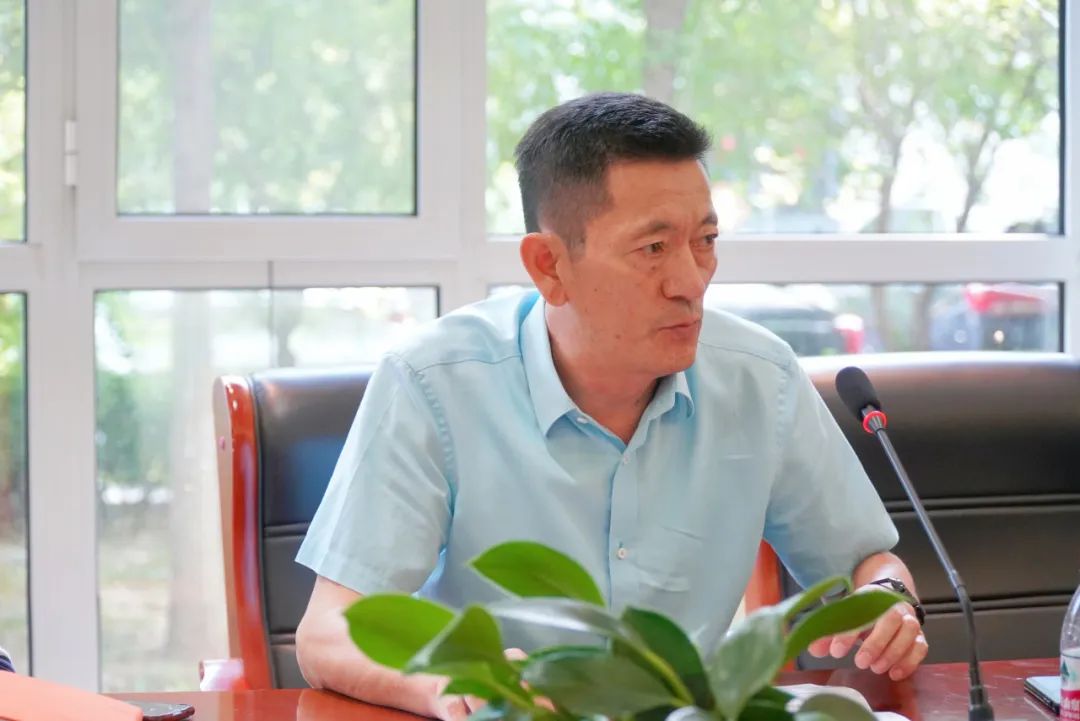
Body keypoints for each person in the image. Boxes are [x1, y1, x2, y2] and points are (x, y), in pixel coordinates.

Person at [295, 92, 928, 719]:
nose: (691, 282)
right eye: (653, 249)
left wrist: (888, 599)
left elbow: (869, 564)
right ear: (549, 265)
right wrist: (453, 684)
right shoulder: (433, 383)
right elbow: (327, 633)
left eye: (705, 240)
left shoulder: (762, 378)